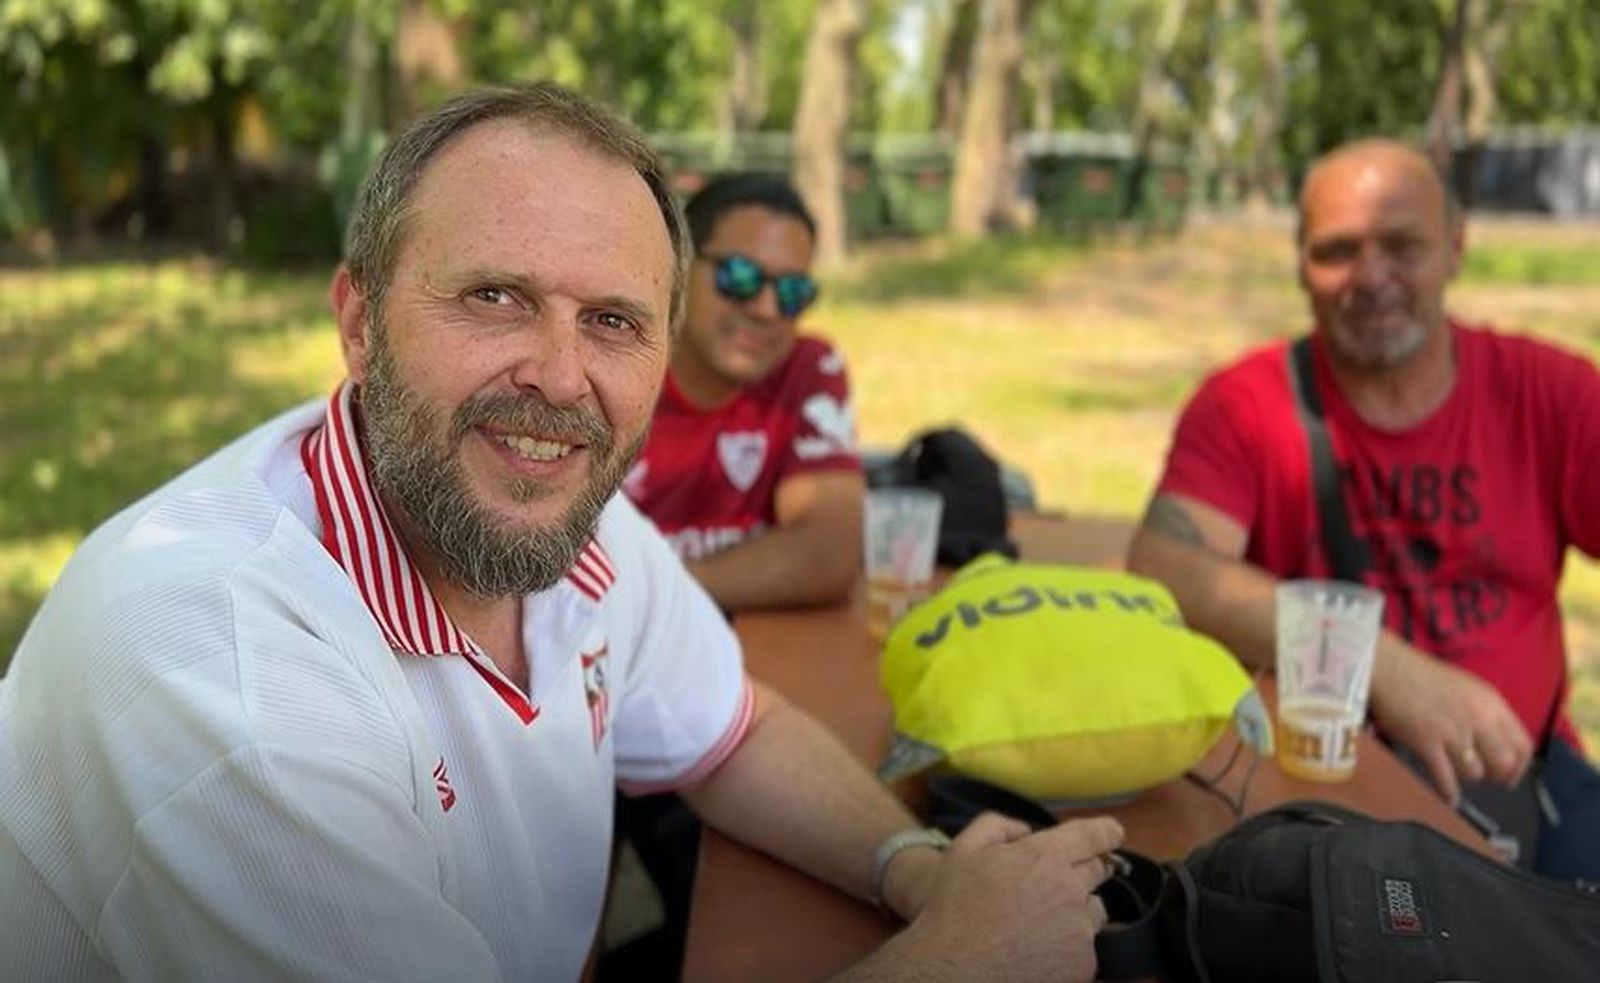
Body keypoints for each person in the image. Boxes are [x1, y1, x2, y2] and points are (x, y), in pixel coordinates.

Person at [0, 84, 1120, 981]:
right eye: (495, 296)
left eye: (613, 321)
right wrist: (956, 956)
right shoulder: (227, 683)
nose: (560, 377)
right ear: (359, 321)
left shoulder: (569, 520)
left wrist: (919, 870)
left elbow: (733, 733)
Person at [1128, 137, 1600, 877]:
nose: (1371, 277)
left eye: (1403, 246)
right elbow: (1164, 566)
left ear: (1456, 248)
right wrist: (1381, 664)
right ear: (1301, 265)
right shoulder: (1245, 405)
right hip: (1314, 795)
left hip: (1520, 785)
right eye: (1338, 251)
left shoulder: (1550, 393)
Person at [624, 173, 864, 612]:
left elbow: (830, 552)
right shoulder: (614, 369)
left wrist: (661, 595)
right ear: (677, 266)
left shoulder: (806, 369)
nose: (767, 310)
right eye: (741, 277)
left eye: (793, 292)